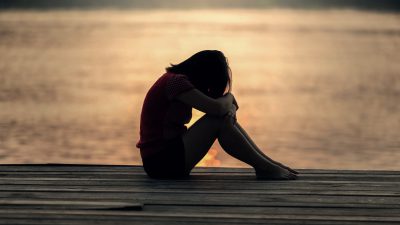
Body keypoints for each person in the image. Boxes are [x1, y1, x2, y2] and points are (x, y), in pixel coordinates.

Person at [136, 50, 298, 180]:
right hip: (161, 162)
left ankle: (268, 164)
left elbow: (223, 107)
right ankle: (265, 167)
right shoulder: (176, 82)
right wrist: (231, 98)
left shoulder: (175, 81)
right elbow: (218, 108)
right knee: (217, 120)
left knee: (220, 118)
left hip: (166, 158)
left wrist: (230, 107)